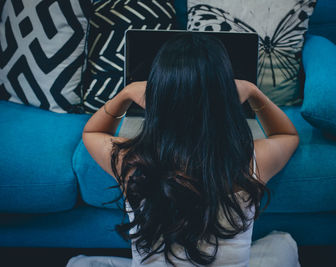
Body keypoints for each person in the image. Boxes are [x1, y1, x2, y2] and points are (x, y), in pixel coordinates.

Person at [68, 33, 300, 266]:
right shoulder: (251, 162)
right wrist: (252, 92)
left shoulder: (133, 162)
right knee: (282, 243)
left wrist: (126, 93)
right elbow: (286, 135)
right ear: (226, 95)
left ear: (157, 93)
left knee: (78, 263)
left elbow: (92, 132)